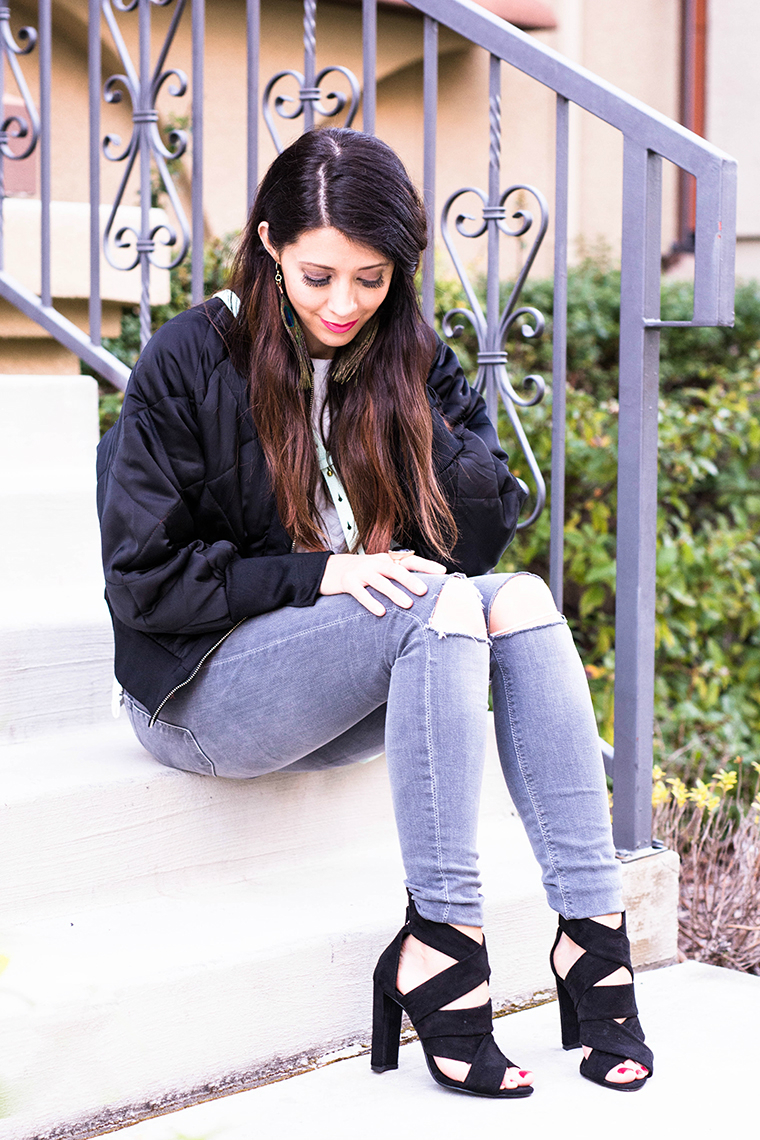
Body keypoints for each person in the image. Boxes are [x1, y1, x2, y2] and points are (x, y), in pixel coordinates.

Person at [97, 127, 652, 1099]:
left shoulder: (405, 350)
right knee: (428, 603)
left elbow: (478, 543)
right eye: (317, 276)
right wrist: (315, 576)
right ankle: (442, 943)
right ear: (269, 244)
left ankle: (592, 937)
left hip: (371, 672)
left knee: (517, 603)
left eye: (371, 279)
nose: (343, 303)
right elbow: (147, 581)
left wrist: (404, 395)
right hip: (202, 692)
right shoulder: (189, 359)